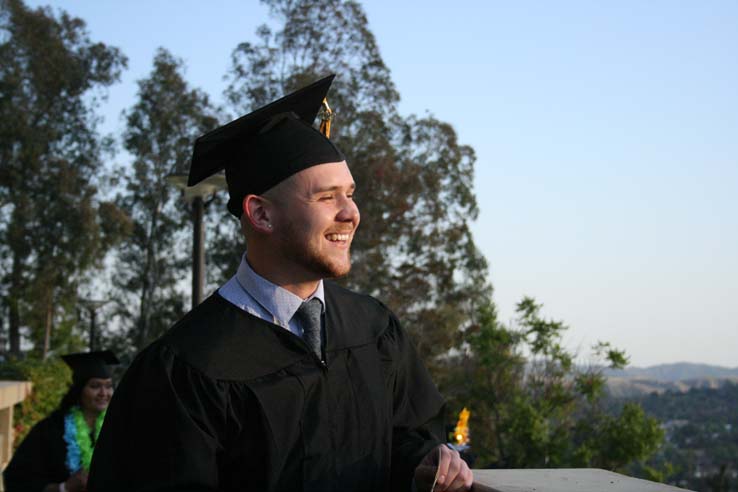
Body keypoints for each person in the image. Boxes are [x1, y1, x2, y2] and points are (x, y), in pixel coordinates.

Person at [87, 75, 473, 492]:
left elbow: (407, 435)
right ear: (261, 215)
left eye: (350, 193)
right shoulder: (186, 370)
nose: (351, 213)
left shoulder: (374, 329)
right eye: (327, 198)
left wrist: (426, 460)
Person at [3, 350, 119, 492]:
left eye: (108, 386)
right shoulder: (50, 430)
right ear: (79, 390)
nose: (104, 393)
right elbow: (16, 478)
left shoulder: (117, 428)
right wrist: (64, 488)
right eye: (95, 386)